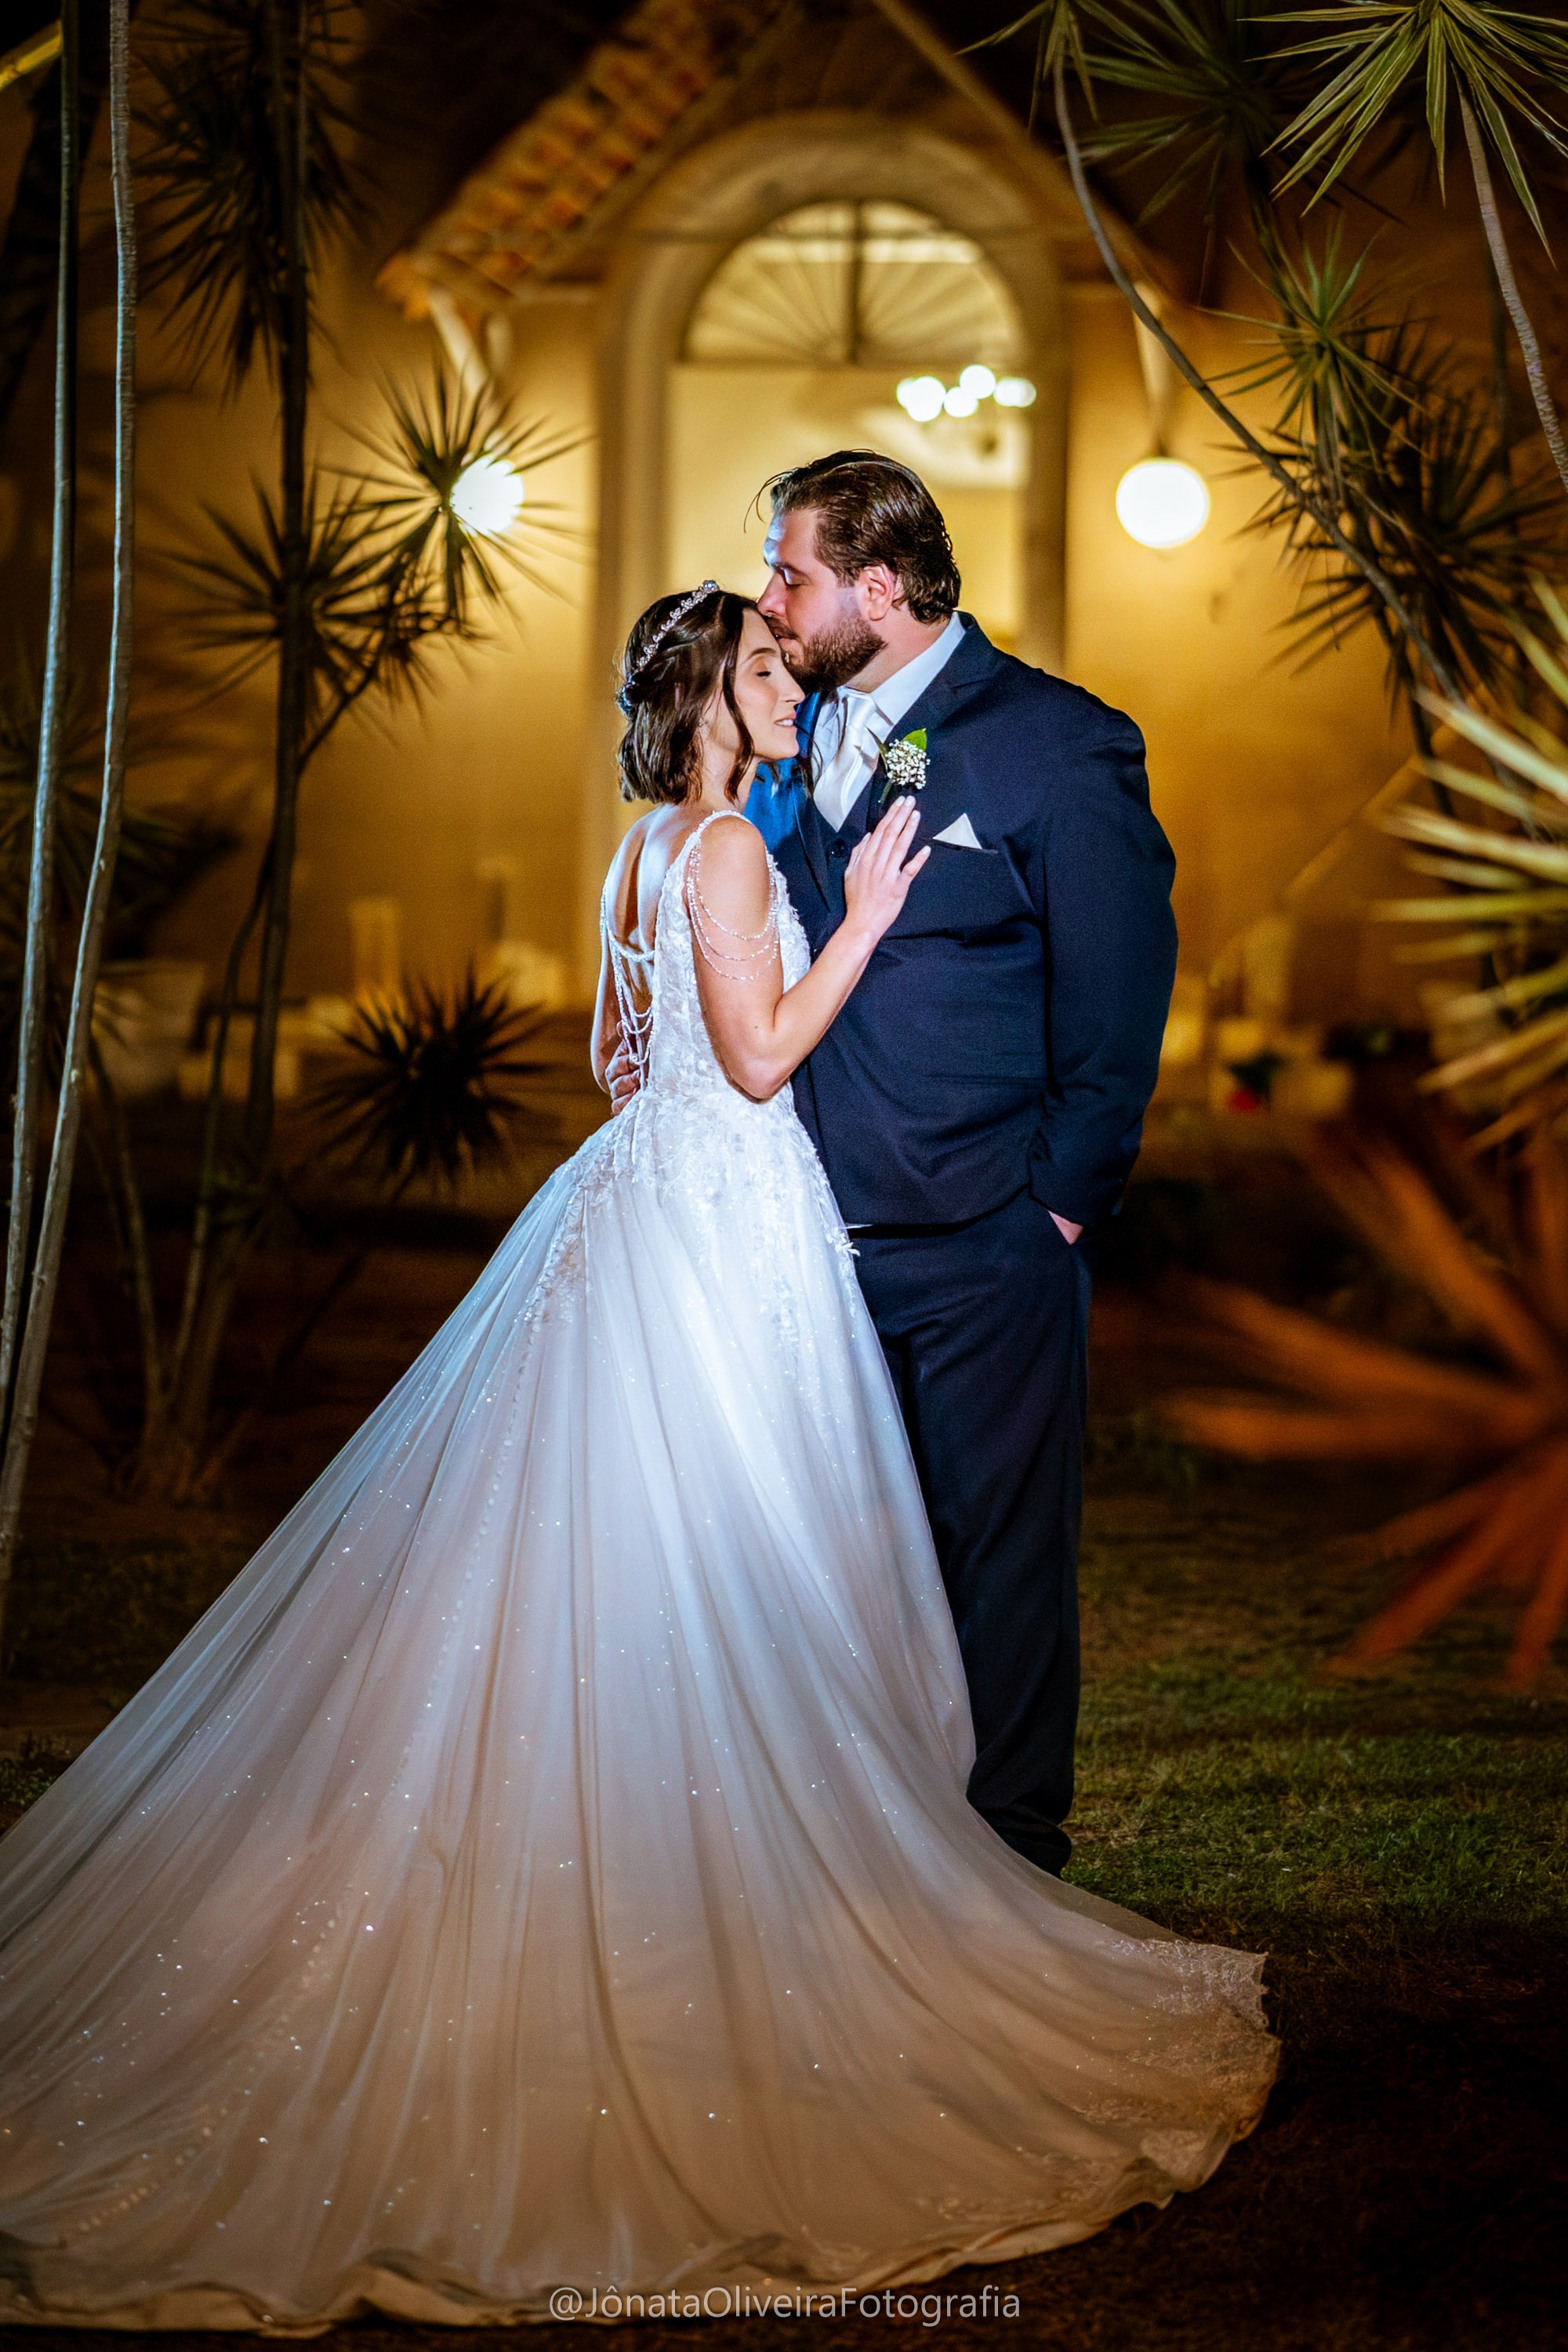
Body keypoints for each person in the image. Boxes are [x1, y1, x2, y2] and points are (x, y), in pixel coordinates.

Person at [0, 590, 1269, 2332]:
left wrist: (689, 1063)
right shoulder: (737, 855)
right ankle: (747, 1866)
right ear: (710, 704)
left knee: (618, 1536)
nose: (784, 688)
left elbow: (621, 1058)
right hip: (731, 1222)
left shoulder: (633, 850)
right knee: (743, 1538)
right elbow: (753, 1061)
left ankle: (644, 1835)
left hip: (632, 1209)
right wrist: (873, 921)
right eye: (761, 672)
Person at [744, 451, 1179, 1878]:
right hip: (814, 1238)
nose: (772, 599)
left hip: (990, 1234)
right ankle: (873, 1843)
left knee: (999, 1560)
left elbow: (1117, 999)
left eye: (790, 571)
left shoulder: (1055, 742)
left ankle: (1006, 1853)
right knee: (852, 1559)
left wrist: (1054, 1203)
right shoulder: (792, 734)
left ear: (879, 585)